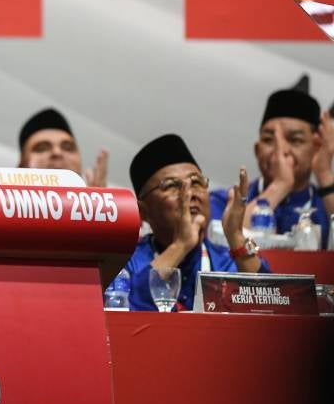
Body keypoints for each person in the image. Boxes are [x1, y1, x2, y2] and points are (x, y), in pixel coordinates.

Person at [119, 134, 269, 311]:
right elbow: (127, 315)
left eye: (197, 182)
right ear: (143, 211)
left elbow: (272, 309)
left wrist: (235, 236)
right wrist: (181, 245)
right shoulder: (124, 262)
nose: (190, 194)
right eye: (172, 186)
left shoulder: (227, 261)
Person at [209, 88, 334, 245]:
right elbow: (221, 245)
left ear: (316, 147)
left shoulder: (325, 204)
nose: (280, 150)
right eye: (269, 140)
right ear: (257, 150)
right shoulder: (222, 202)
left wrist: (325, 175)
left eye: (295, 140)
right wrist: (280, 186)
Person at [18, 108, 108, 186]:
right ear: (20, 167)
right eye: (42, 148)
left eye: (68, 148)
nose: (57, 152)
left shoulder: (107, 204)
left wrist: (98, 204)